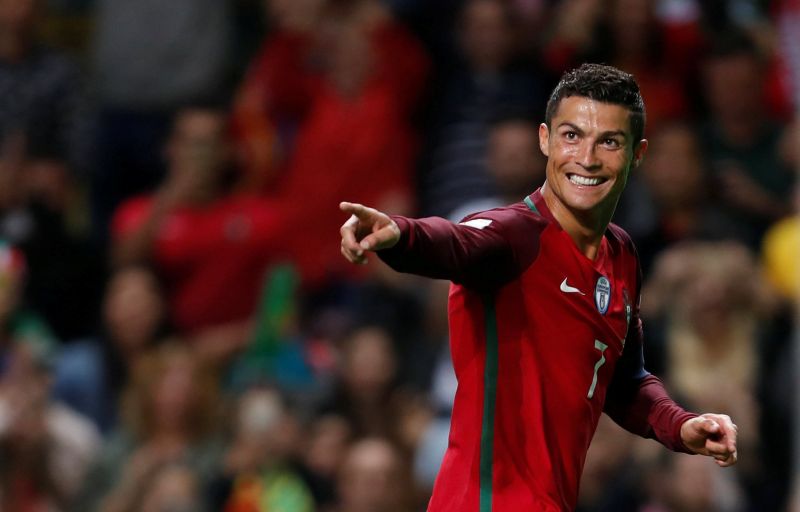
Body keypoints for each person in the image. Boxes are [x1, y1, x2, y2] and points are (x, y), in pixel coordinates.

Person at [338, 63, 738, 511]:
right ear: (545, 139)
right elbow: (455, 242)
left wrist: (679, 425)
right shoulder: (513, 235)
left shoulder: (620, 254)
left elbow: (623, 381)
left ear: (637, 154)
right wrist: (400, 234)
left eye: (609, 141)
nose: (586, 158)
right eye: (572, 136)